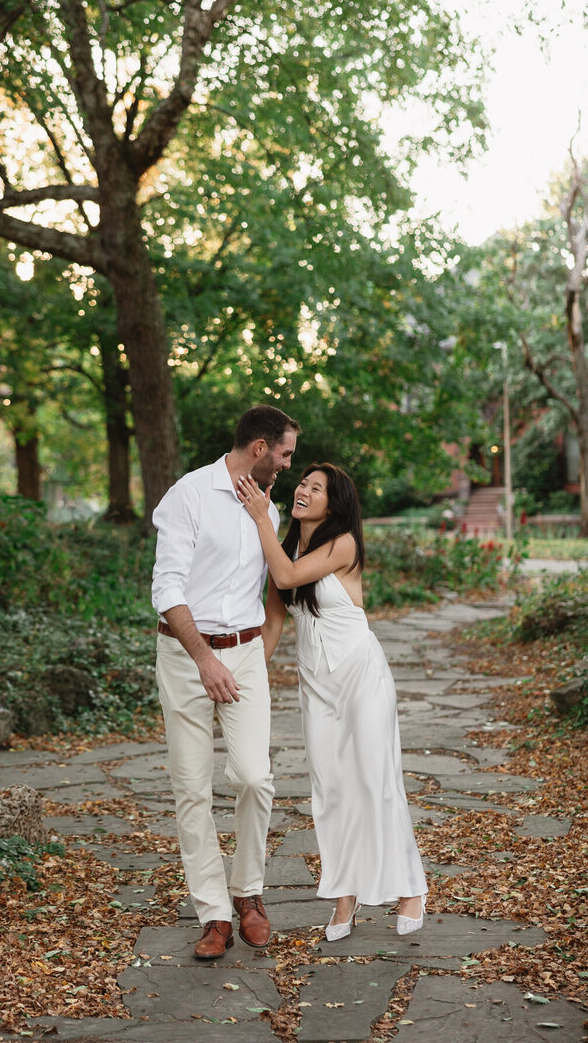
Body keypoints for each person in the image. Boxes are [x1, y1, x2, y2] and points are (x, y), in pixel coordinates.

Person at [237, 462, 428, 941]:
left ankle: (410, 889)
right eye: (301, 482)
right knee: (330, 792)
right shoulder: (283, 550)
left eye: (315, 487)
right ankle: (345, 896)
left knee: (376, 781)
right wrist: (246, 677)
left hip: (362, 675)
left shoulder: (343, 545)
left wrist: (261, 516)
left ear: (333, 502)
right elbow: (273, 625)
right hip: (316, 685)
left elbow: (287, 575)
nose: (303, 490)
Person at [151, 405, 300, 960]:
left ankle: (249, 892)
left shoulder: (267, 506)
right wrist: (205, 660)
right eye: (284, 453)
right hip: (186, 655)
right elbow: (166, 587)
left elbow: (274, 582)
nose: (288, 464)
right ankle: (213, 913)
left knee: (254, 778)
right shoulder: (187, 495)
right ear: (259, 448)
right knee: (191, 788)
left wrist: (254, 654)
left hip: (244, 656)